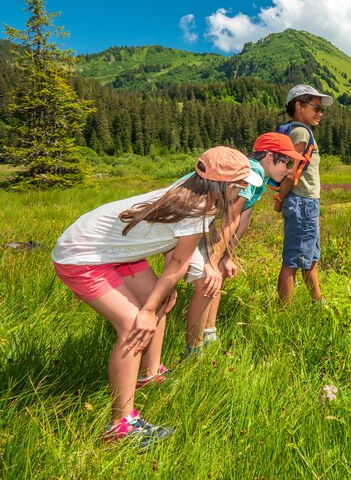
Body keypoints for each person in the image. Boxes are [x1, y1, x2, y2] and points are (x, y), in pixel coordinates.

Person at [51, 146, 263, 448]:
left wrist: (157, 300)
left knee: (160, 301)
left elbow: (166, 245)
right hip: (82, 253)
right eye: (240, 184)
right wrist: (147, 310)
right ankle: (121, 425)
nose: (244, 189)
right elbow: (177, 264)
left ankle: (148, 375)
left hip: (117, 249)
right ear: (224, 186)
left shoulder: (192, 186)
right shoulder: (196, 208)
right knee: (134, 324)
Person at [178, 133, 305, 354]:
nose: (289, 169)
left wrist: (227, 256)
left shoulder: (261, 179)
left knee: (217, 274)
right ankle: (194, 350)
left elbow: (244, 219)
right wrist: (215, 260)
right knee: (206, 281)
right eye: (286, 161)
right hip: (183, 215)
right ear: (268, 157)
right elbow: (232, 215)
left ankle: (209, 332)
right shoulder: (251, 171)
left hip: (197, 220)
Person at [274, 84, 333, 304]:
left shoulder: (296, 130)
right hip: (303, 203)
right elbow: (292, 173)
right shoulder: (300, 132)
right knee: (292, 260)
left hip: (305, 202)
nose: (320, 113)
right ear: (299, 105)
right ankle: (282, 314)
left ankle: (318, 303)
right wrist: (280, 200)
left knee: (309, 258)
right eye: (315, 107)